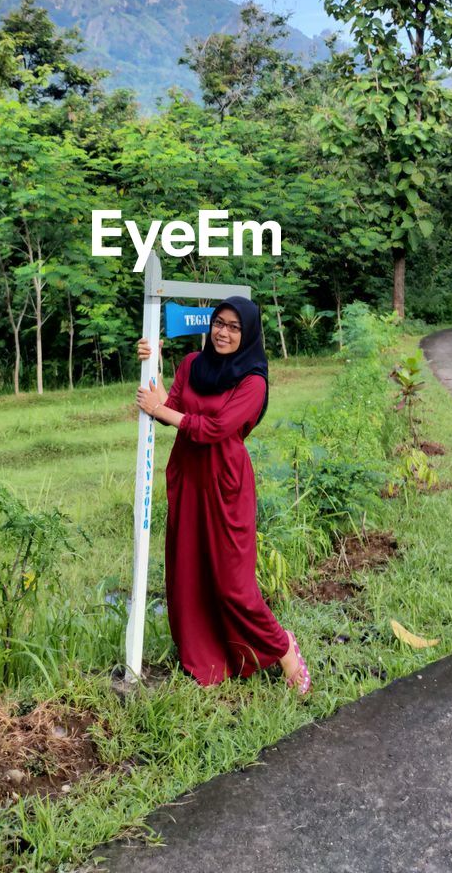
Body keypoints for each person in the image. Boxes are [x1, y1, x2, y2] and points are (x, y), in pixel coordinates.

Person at [136, 297, 310, 693]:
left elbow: (215, 428)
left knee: (233, 583)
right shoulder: (193, 365)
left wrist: (163, 412)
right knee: (190, 572)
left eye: (234, 326)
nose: (224, 332)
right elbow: (170, 404)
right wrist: (153, 362)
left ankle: (284, 649)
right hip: (188, 478)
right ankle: (209, 661)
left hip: (225, 483)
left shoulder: (253, 380)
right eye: (219, 323)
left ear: (247, 334)